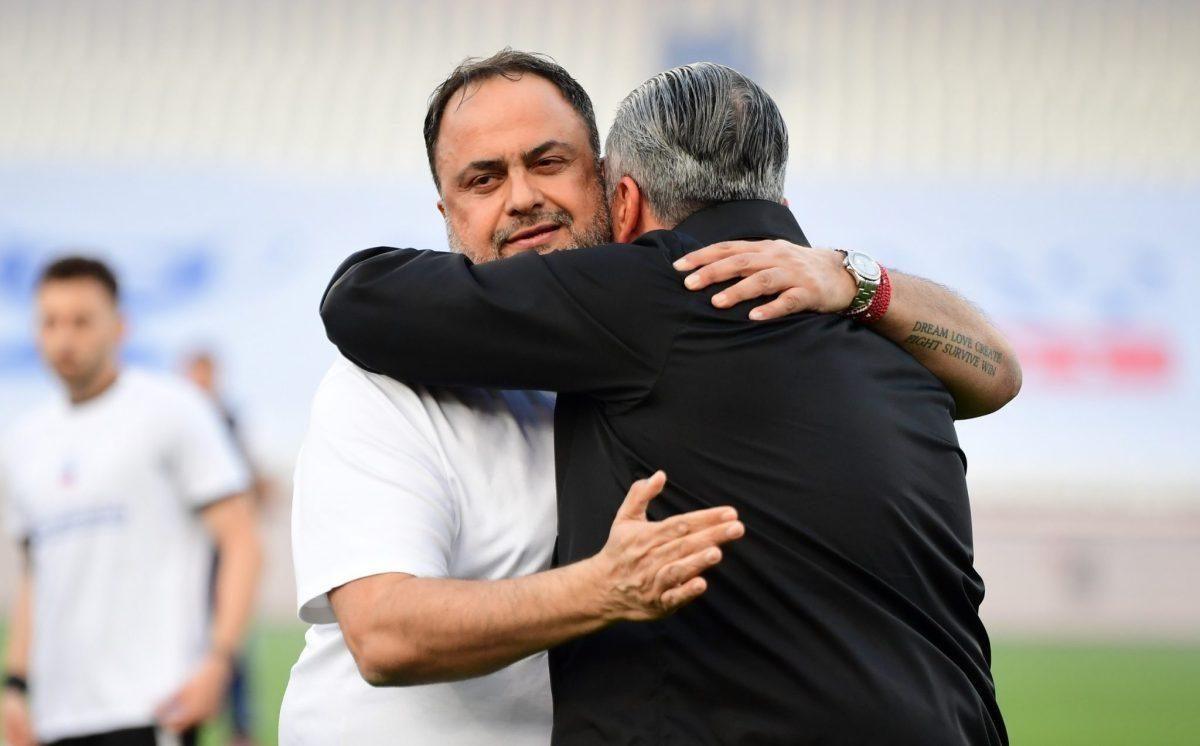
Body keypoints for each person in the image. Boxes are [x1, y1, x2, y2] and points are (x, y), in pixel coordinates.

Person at [283, 50, 1017, 744]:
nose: (524, 197)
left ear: (615, 191)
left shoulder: (649, 300)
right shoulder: (893, 349)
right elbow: (999, 374)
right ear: (442, 210)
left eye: (549, 162)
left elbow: (359, 293)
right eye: (482, 179)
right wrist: (859, 279)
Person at [0, 257, 262, 746]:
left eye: (81, 321)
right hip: (56, 717)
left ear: (119, 325)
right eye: (50, 322)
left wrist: (219, 660)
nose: (64, 339)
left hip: (154, 706)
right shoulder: (23, 441)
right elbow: (38, 574)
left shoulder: (173, 410)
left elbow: (241, 540)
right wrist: (16, 684)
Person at [183, 351, 268, 746]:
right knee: (186, 639)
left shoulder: (227, 423)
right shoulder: (178, 424)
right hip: (187, 555)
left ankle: (240, 728)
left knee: (231, 640)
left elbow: (250, 484)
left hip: (223, 552)